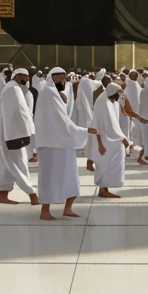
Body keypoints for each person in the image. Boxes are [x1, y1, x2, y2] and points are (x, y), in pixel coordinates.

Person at [34, 67, 91, 221]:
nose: (64, 81)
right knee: (50, 177)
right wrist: (83, 130)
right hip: (51, 144)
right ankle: (45, 211)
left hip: (63, 141)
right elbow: (61, 120)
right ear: (53, 77)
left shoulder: (56, 94)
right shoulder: (48, 93)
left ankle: (68, 208)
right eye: (61, 78)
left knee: (70, 176)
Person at [0, 69, 38, 206]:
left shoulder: (14, 89)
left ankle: (2, 194)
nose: (24, 78)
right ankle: (32, 194)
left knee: (6, 165)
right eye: (21, 76)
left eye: (26, 76)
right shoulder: (13, 90)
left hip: (11, 133)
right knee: (19, 164)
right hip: (13, 135)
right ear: (15, 77)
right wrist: (28, 130)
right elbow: (21, 114)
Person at [91, 82, 130, 197]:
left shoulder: (111, 101)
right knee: (104, 164)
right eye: (118, 93)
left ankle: (105, 188)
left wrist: (121, 137)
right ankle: (103, 190)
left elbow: (113, 123)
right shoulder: (102, 103)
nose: (118, 96)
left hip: (111, 139)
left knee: (112, 163)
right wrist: (100, 144)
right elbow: (97, 124)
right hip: (103, 140)